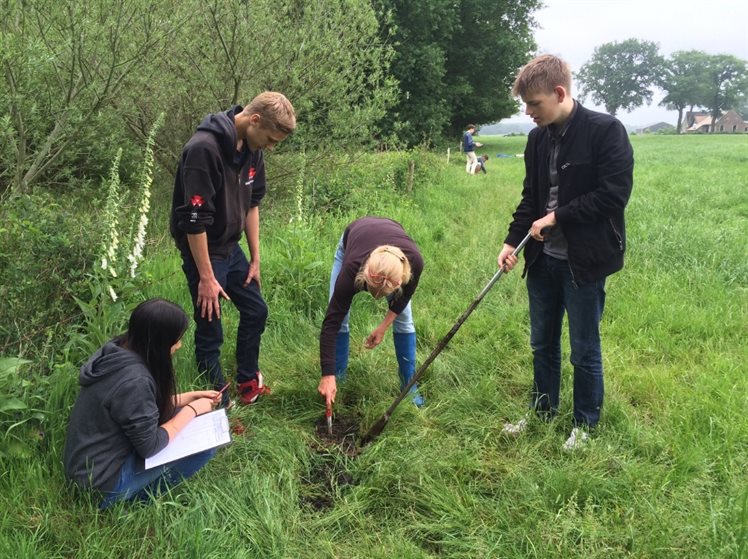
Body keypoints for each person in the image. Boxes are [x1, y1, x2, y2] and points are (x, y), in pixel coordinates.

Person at [496, 54, 633, 450]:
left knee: (583, 350)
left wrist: (557, 217)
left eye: (534, 104)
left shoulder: (605, 131)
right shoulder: (537, 138)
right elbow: (531, 198)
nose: (528, 112)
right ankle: (542, 412)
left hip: (584, 261)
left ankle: (585, 427)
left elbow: (613, 196)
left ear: (559, 93)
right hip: (542, 261)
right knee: (542, 343)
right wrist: (511, 240)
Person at [171, 92, 296, 405]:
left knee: (256, 310)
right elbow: (194, 222)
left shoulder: (253, 150)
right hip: (203, 252)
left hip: (231, 248)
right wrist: (206, 278)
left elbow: (252, 205)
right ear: (254, 119)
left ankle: (247, 380)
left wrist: (255, 258)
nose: (270, 147)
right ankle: (216, 400)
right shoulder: (204, 149)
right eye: (270, 139)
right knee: (210, 327)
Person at [63, 299, 221, 508]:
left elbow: (132, 410)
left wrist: (187, 398)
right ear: (159, 341)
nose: (179, 346)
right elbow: (150, 446)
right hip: (100, 487)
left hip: (85, 469)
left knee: (184, 415)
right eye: (177, 340)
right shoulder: (135, 381)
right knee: (205, 445)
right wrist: (192, 411)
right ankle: (137, 500)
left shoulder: (116, 351)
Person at [318, 217, 426, 408]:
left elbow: (402, 301)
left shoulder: (414, 263)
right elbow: (331, 322)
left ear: (400, 281)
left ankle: (409, 386)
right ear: (365, 274)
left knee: (405, 319)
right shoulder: (351, 269)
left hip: (388, 237)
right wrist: (327, 374)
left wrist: (383, 327)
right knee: (341, 318)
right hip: (354, 240)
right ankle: (338, 378)